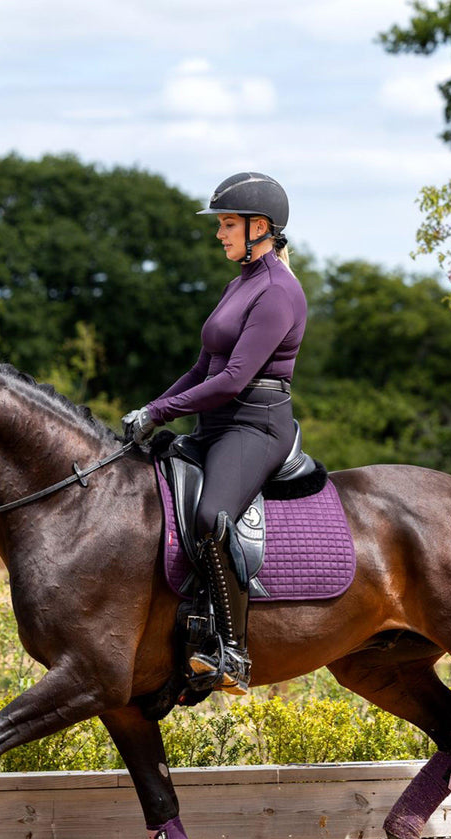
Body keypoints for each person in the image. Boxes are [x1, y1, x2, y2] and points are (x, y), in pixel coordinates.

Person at [122, 172, 307, 695]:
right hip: (215, 424)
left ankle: (231, 653)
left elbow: (232, 380)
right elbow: (203, 368)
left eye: (228, 224)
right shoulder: (239, 284)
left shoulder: (277, 292)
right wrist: (153, 407)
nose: (220, 234)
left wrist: (161, 412)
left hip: (255, 426)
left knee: (210, 517)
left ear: (260, 227)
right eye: (221, 225)